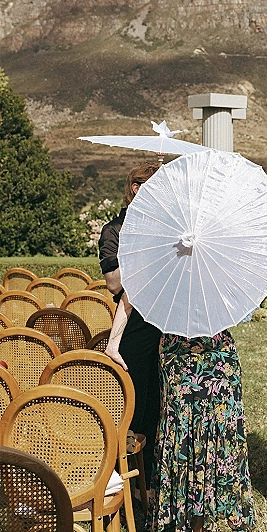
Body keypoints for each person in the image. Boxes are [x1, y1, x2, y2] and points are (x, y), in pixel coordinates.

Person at [148, 330, 255, 532]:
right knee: (211, 441)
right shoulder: (214, 296)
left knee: (184, 438)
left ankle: (192, 527)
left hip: (176, 355)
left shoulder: (170, 295)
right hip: (216, 357)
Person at [99, 162, 162, 491]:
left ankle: (154, 482)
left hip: (168, 327)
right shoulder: (115, 231)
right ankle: (124, 483)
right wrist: (143, 252)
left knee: (161, 407)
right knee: (136, 410)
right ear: (136, 188)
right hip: (136, 327)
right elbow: (114, 283)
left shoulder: (166, 229)